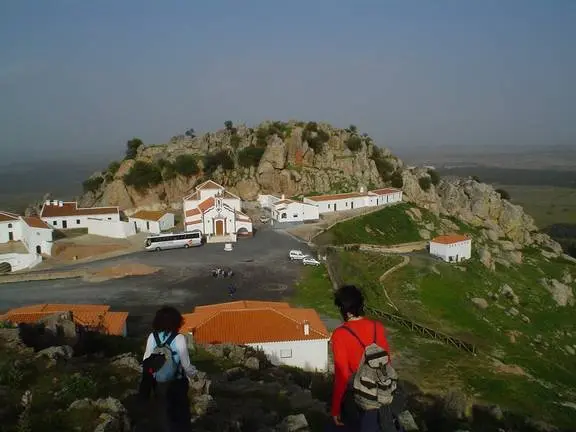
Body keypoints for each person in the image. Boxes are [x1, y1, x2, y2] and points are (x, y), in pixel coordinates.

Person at [329, 285, 403, 432]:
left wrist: (335, 409)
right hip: (383, 392)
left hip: (360, 397)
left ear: (346, 310)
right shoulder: (378, 327)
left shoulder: (340, 334)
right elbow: (386, 362)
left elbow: (342, 376)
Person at [142, 306, 197, 432]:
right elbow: (187, 366)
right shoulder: (179, 338)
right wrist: (194, 374)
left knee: (163, 414)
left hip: (159, 384)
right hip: (177, 383)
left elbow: (146, 361)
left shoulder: (152, 337)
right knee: (181, 416)